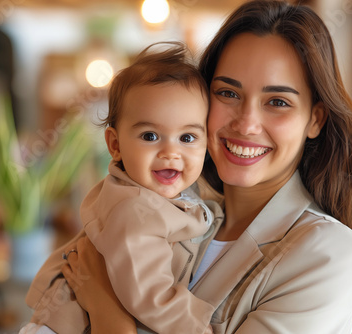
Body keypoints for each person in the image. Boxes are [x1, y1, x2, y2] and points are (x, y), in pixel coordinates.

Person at [63, 1, 352, 333]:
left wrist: (105, 306)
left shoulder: (326, 252)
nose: (247, 123)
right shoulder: (174, 209)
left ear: (315, 119)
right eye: (228, 93)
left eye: (277, 102)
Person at [20, 42, 220, 334]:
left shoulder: (144, 194)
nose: (170, 152)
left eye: (187, 138)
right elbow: (151, 297)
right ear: (115, 145)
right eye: (150, 136)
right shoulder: (135, 210)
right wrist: (199, 328)